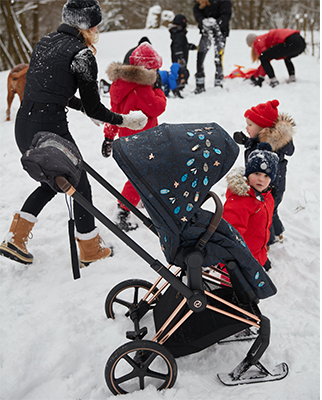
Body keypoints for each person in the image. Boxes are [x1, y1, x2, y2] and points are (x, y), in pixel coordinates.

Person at [0, 0, 148, 266]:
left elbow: (53, 92)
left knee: (53, 181)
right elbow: (95, 106)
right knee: (79, 185)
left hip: (24, 126)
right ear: (89, 25)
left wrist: (83, 110)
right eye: (96, 24)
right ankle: (91, 250)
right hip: (50, 129)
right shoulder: (82, 55)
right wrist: (125, 120)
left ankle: (15, 238)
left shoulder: (44, 43)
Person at [102, 42, 167, 231]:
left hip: (127, 141)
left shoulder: (119, 86)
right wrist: (159, 90)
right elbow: (158, 107)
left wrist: (109, 137)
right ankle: (122, 211)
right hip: (145, 141)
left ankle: (143, 199)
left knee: (141, 174)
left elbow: (113, 115)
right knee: (140, 177)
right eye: (155, 69)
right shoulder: (143, 88)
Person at [233, 99, 295, 246]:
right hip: (273, 185)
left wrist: (250, 144)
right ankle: (279, 233)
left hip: (270, 186)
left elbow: (259, 165)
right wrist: (247, 141)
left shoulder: (266, 150)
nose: (246, 128)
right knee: (272, 210)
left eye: (250, 125)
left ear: (263, 129)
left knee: (266, 213)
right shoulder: (270, 142)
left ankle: (268, 240)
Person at [223, 143, 279, 271]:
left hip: (257, 253)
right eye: (257, 173)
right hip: (240, 259)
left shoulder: (266, 196)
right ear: (248, 173)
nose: (261, 179)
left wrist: (262, 257)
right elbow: (231, 234)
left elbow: (263, 227)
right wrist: (230, 265)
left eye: (266, 176)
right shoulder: (240, 200)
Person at [192, 0, 232, 93]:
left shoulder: (223, 2)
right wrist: (203, 21)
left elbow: (226, 14)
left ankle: (218, 83)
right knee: (200, 55)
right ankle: (200, 83)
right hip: (206, 31)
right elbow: (197, 12)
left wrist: (217, 22)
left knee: (218, 57)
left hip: (221, 31)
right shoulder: (200, 3)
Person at [169, 14, 196, 97]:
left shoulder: (178, 34)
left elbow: (182, 45)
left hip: (178, 58)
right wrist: (180, 56)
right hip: (179, 59)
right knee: (182, 72)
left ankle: (180, 84)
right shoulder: (179, 35)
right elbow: (178, 46)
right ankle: (179, 86)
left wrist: (189, 46)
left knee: (181, 71)